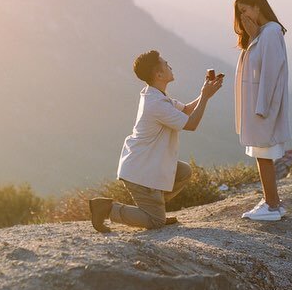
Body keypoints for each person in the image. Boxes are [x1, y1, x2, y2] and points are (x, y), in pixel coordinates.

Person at [89, 50, 223, 232]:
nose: (170, 66)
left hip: (146, 165)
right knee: (155, 222)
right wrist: (205, 97)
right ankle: (106, 209)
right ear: (158, 74)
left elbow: (185, 111)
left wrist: (205, 93)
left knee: (183, 171)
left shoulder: (156, 95)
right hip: (141, 171)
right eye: (166, 64)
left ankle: (154, 207)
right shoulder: (156, 104)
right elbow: (191, 124)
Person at [234, 0, 290, 222]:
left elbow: (270, 73)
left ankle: (272, 205)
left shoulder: (271, 33)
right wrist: (252, 36)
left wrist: (263, 107)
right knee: (260, 153)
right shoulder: (262, 34)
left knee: (264, 154)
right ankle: (272, 202)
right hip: (258, 104)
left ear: (257, 6)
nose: (243, 16)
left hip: (262, 105)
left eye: (245, 10)